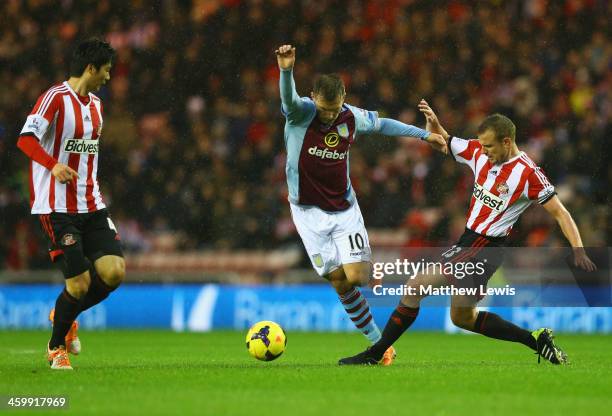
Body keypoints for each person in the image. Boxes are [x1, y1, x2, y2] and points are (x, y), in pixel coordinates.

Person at [339, 100, 596, 366]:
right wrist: (437, 129)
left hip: (485, 246)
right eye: (482, 145)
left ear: (507, 142)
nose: (483, 151)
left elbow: (561, 213)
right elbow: (445, 142)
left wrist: (577, 247)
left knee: (414, 287)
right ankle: (536, 340)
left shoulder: (528, 174)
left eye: (489, 146)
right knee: (462, 318)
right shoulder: (478, 151)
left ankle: (376, 352)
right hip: (470, 242)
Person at [275, 45, 448, 365]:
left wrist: (424, 136)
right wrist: (286, 70)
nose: (329, 115)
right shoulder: (301, 112)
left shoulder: (350, 116)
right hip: (307, 212)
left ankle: (368, 276)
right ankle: (380, 346)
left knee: (356, 276)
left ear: (343, 98)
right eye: (324, 108)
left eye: (334, 108)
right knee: (338, 280)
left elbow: (384, 124)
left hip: (344, 210)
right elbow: (287, 98)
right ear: (313, 97)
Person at [17, 38, 125, 370]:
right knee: (78, 283)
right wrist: (53, 165)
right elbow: (25, 139)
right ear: (90, 68)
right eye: (105, 71)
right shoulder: (54, 98)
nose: (108, 78)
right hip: (56, 207)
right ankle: (55, 347)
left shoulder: (97, 106)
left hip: (91, 204)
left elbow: (87, 157)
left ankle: (66, 313)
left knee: (114, 272)